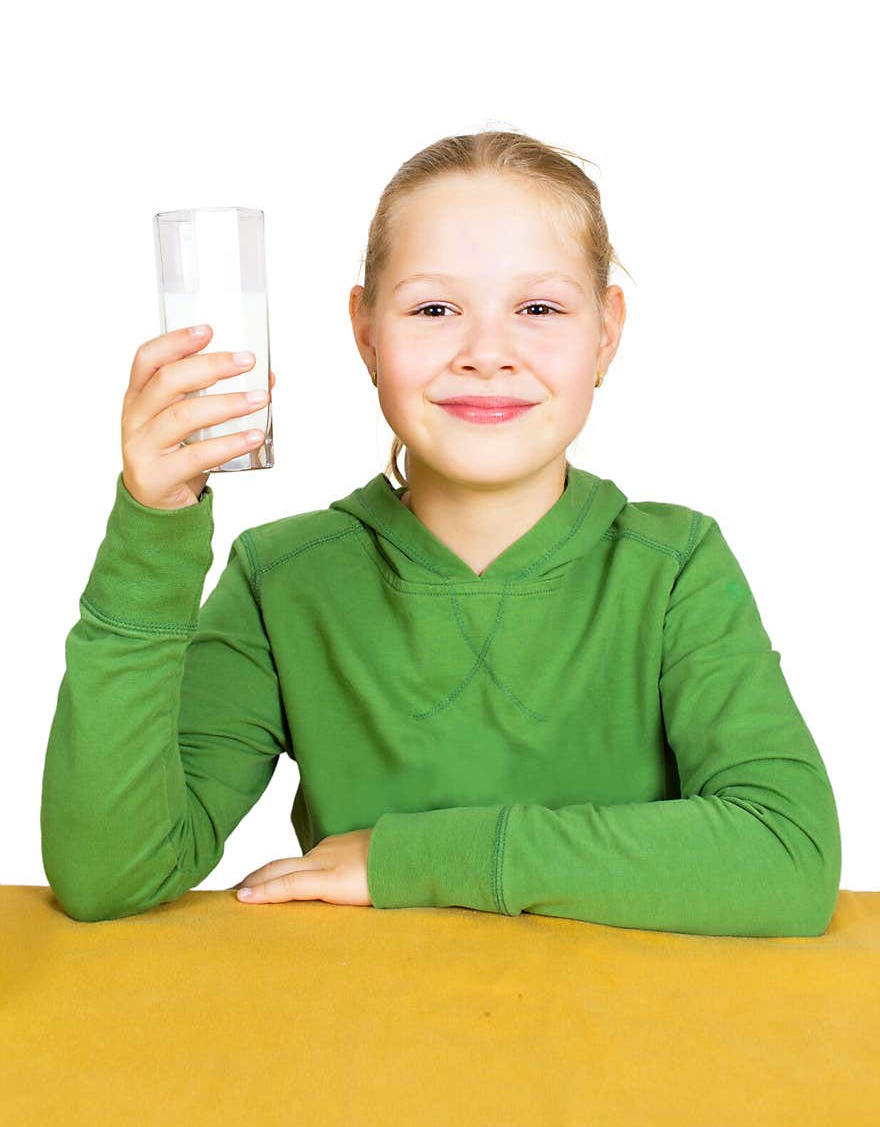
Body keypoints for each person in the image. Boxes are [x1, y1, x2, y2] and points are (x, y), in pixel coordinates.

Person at [40, 129, 841, 935]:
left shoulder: (675, 569)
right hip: (368, 1042)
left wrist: (409, 859)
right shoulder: (282, 578)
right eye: (434, 308)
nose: (486, 353)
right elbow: (111, 871)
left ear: (605, 332)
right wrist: (154, 532)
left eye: (538, 308)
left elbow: (787, 854)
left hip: (622, 1045)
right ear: (366, 333)